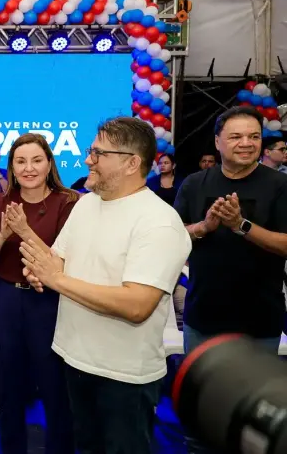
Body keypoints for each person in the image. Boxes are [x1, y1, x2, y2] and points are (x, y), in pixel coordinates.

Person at [19, 117, 191, 454]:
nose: (88, 160)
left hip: (123, 375)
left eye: (99, 153)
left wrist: (57, 279)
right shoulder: (86, 204)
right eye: (90, 151)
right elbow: (60, 261)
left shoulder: (159, 222)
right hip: (74, 359)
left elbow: (137, 305)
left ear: (131, 163)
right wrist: (42, 270)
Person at [174, 107, 287, 454]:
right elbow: (172, 236)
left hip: (259, 321)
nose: (246, 143)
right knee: (199, 419)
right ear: (218, 142)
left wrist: (242, 226)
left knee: (251, 422)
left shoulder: (280, 185)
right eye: (236, 136)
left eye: (254, 137)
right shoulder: (195, 184)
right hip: (204, 318)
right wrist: (204, 227)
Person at [0, 133, 78, 454]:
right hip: (6, 299)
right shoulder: (0, 203)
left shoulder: (68, 202)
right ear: (11, 167)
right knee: (9, 388)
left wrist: (22, 230)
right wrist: (4, 233)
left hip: (50, 301)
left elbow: (61, 261)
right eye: (20, 161)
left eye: (36, 160)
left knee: (54, 387)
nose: (28, 168)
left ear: (49, 164)